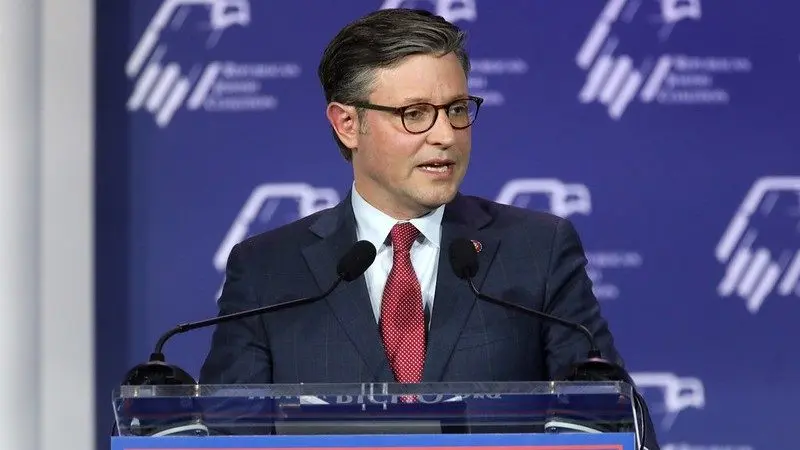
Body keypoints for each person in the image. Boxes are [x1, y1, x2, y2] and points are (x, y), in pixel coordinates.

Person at [199, 8, 659, 449]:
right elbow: (226, 437)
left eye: (457, 109)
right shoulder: (266, 270)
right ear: (347, 124)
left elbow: (613, 424)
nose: (445, 134)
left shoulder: (537, 250)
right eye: (415, 113)